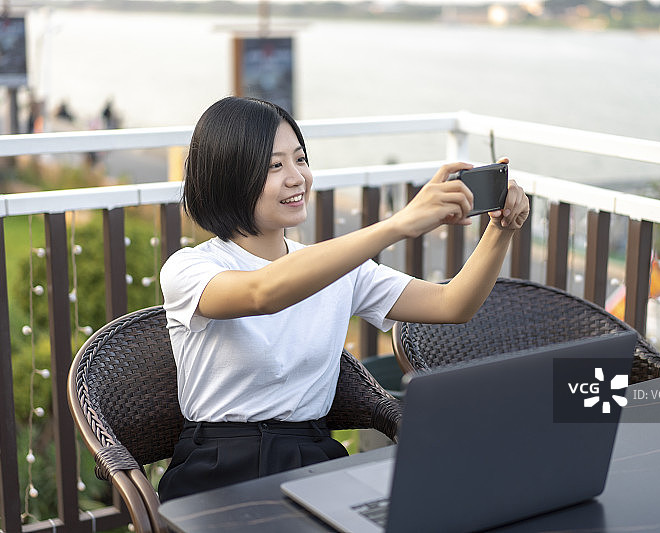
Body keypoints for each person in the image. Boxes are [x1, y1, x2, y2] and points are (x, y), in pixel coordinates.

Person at [157, 96, 529, 501]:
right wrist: (397, 225)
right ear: (228, 178)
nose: (297, 177)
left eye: (300, 159)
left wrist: (501, 230)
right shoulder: (189, 269)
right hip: (219, 466)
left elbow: (452, 305)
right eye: (274, 166)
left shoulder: (337, 268)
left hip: (312, 456)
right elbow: (261, 293)